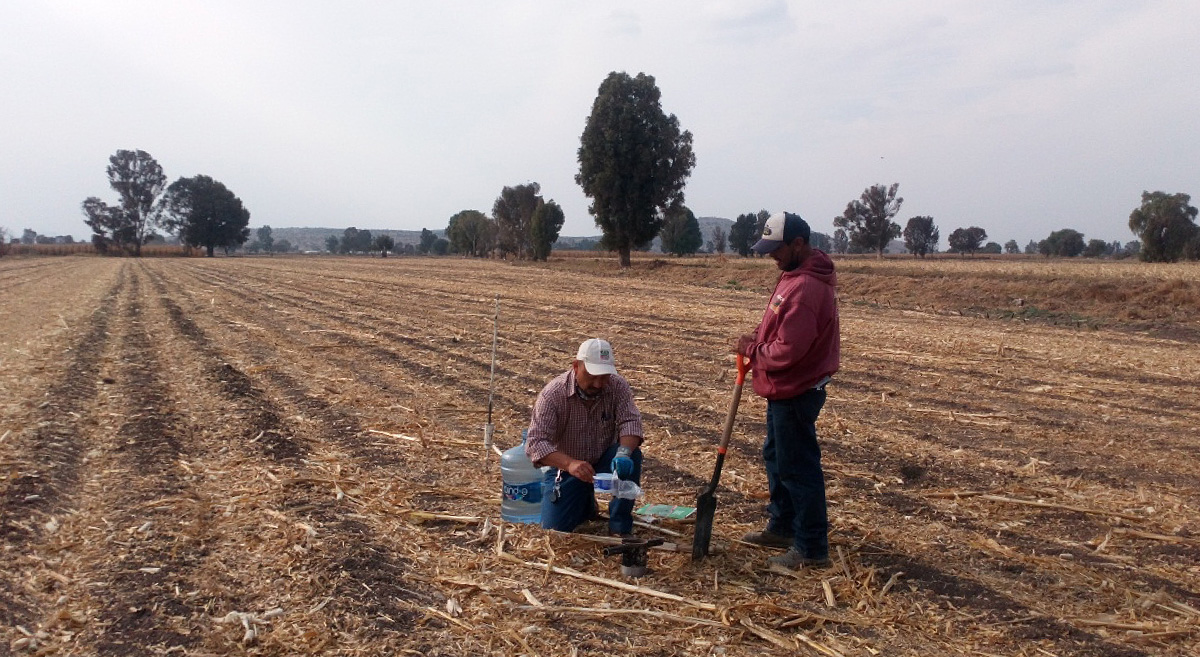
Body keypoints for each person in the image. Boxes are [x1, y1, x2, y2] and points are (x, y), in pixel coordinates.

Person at [736, 211, 840, 570]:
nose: (771, 255)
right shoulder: (792, 275)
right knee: (777, 457)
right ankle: (782, 525)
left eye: (776, 248)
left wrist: (752, 350)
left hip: (796, 389)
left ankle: (811, 548)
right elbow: (781, 331)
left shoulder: (807, 287)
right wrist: (758, 339)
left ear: (798, 244)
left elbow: (789, 351)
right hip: (781, 388)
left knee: (798, 467)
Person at [525, 338, 645, 536]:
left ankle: (619, 525)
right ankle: (584, 500)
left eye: (604, 376)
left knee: (632, 454)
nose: (598, 383)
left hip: (606, 460)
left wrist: (623, 453)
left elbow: (630, 422)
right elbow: (536, 443)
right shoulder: (553, 395)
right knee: (556, 528)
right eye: (592, 375)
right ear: (576, 366)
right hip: (566, 468)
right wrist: (570, 464)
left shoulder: (618, 386)